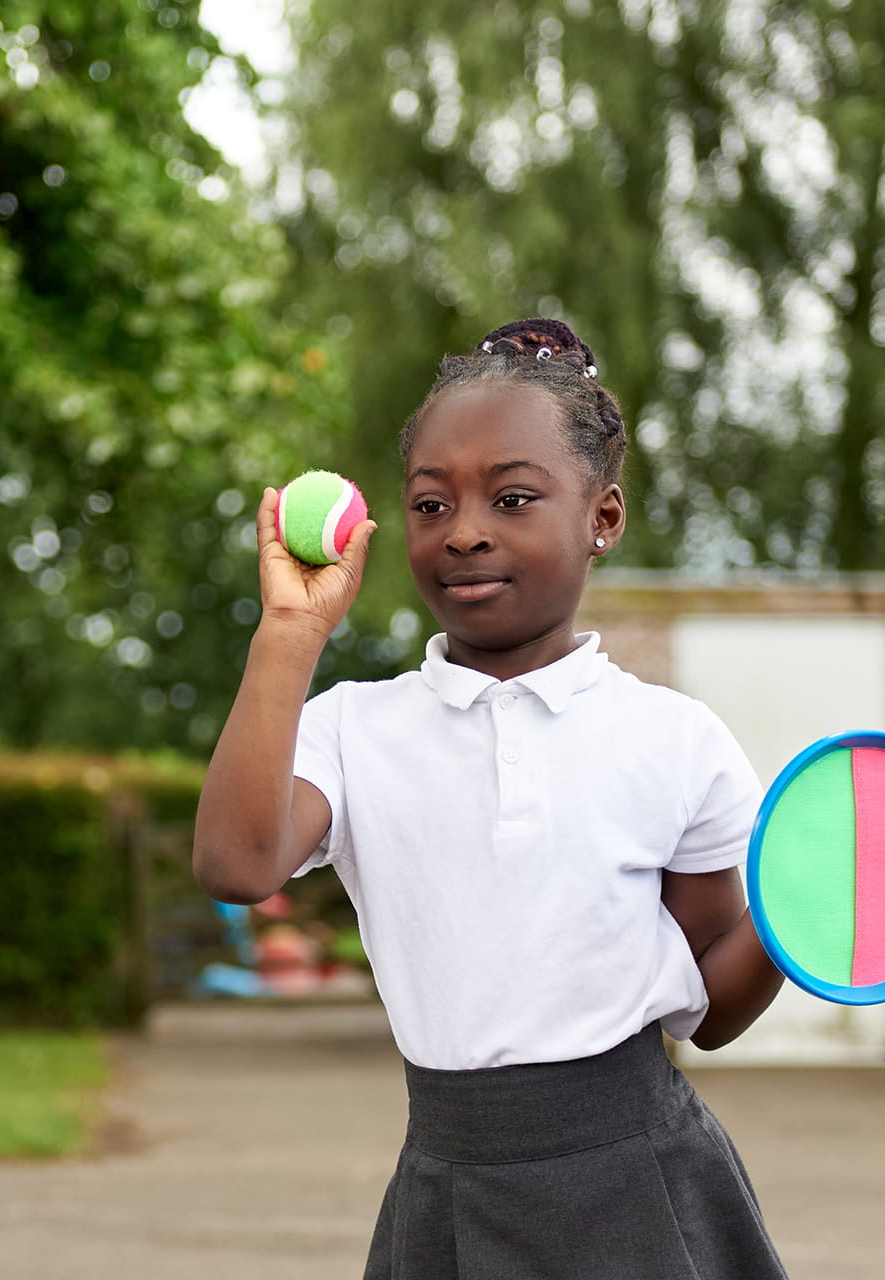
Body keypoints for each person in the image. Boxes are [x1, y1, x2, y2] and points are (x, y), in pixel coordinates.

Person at [192, 319, 790, 1278]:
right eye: (431, 505)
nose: (464, 530)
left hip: (643, 1185)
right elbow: (235, 863)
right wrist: (289, 637)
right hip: (448, 1187)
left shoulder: (676, 740)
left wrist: (801, 921)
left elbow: (709, 1010)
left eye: (513, 498)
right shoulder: (354, 729)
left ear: (603, 517)